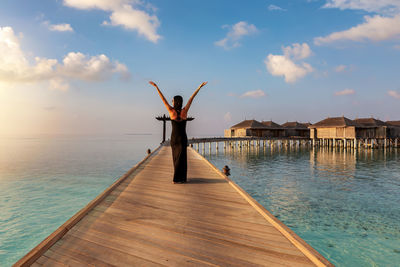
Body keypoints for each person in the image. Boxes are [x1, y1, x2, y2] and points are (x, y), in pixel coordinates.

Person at [149, 81, 207, 183]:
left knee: (175, 158)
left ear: (175, 102)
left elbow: (163, 100)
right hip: (182, 138)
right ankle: (182, 178)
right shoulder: (184, 112)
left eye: (172, 101)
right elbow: (191, 99)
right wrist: (199, 87)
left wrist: (156, 87)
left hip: (174, 138)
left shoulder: (171, 112)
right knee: (182, 158)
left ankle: (176, 179)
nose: (171, 102)